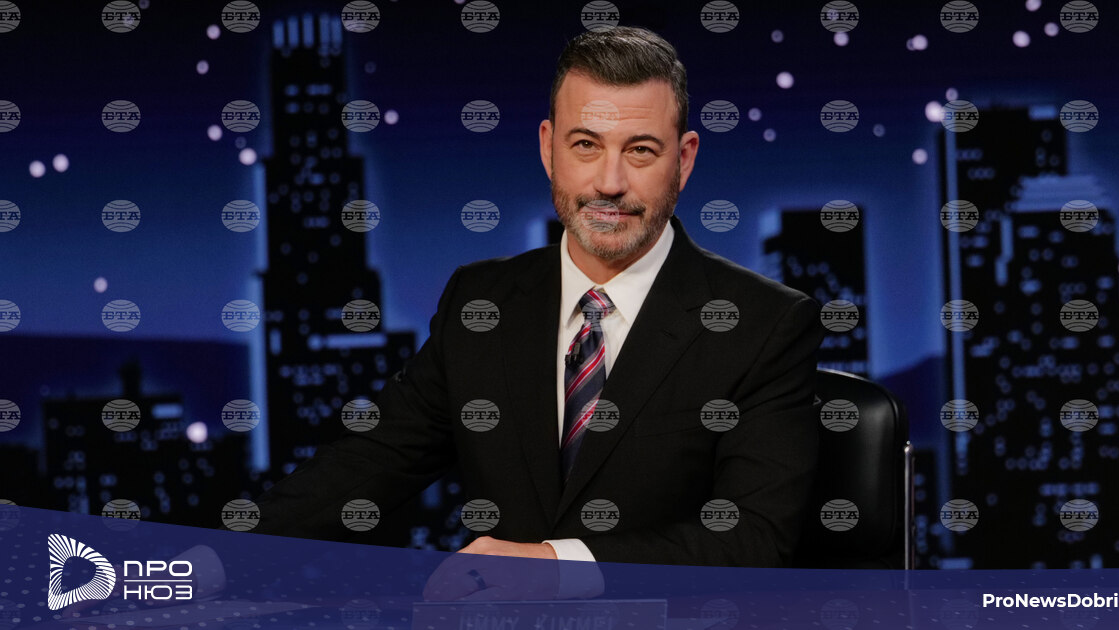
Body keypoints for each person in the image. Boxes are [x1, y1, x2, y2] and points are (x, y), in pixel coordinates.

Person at [254, 26, 823, 574]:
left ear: (685, 158)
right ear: (549, 148)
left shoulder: (763, 325)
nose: (609, 182)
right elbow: (369, 462)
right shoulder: (480, 304)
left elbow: (753, 539)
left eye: (641, 150)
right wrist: (224, 556)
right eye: (586, 145)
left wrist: (555, 565)